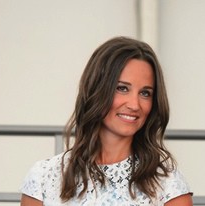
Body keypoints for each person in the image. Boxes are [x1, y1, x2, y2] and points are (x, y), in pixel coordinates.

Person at [20, 36, 193, 205]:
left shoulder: (167, 183)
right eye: (122, 88)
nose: (134, 105)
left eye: (145, 93)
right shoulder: (43, 177)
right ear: (96, 90)